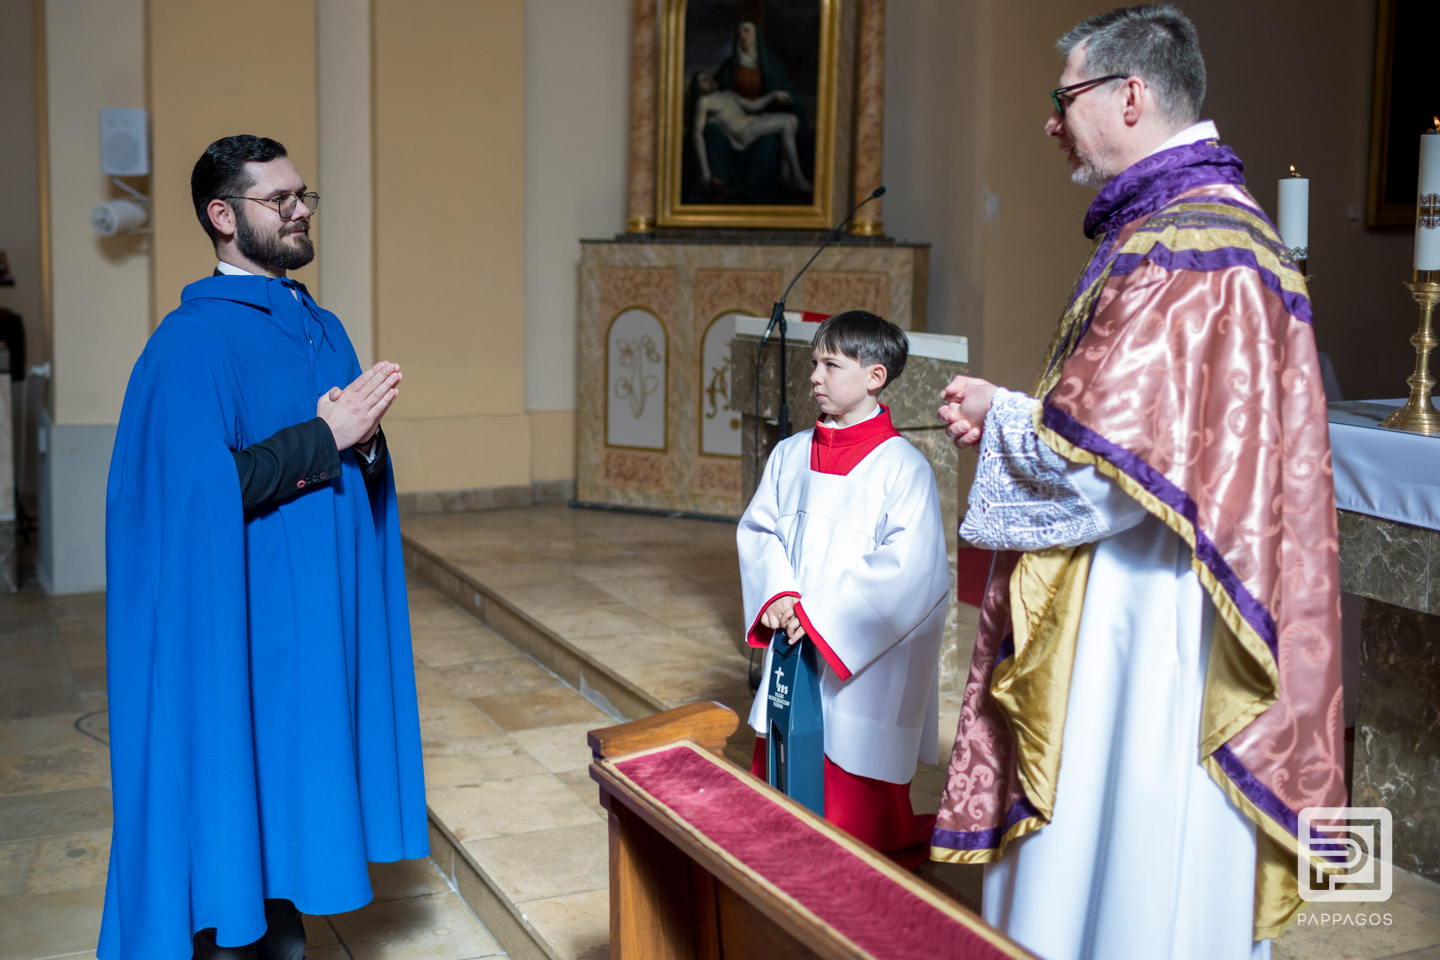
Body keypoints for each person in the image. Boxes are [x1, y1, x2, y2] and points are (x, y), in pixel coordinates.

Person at [927, 7, 1345, 960]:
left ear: (1131, 94)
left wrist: (1004, 415)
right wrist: (1015, 413)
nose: (1051, 121)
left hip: (1148, 611)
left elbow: (1108, 476)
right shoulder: (1200, 228)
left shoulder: (1186, 247)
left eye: (1064, 97)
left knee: (1124, 836)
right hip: (1165, 583)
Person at [100, 135, 429, 959]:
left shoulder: (322, 325)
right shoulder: (189, 343)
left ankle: (278, 923)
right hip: (243, 622)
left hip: (312, 617)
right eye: (278, 200)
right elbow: (195, 493)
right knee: (237, 786)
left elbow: (349, 459)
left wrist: (365, 443)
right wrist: (327, 436)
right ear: (222, 216)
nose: (299, 211)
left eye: (302, 196)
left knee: (291, 790)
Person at [739, 310, 950, 870]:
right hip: (793, 632)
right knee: (783, 762)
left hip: (859, 655)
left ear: (875, 376)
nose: (815, 376)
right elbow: (760, 530)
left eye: (831, 365)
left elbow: (912, 569)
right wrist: (779, 594)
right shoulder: (789, 454)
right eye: (814, 363)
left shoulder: (903, 468)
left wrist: (820, 615)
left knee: (852, 775)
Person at [692, 71, 812, 195]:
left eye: (707, 77)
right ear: (697, 87)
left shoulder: (728, 94)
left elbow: (753, 106)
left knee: (793, 120)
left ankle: (784, 174)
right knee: (786, 124)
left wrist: (774, 95)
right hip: (744, 132)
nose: (708, 79)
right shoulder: (704, 101)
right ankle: (798, 177)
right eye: (702, 80)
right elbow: (697, 135)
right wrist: (705, 171)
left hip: (752, 122)